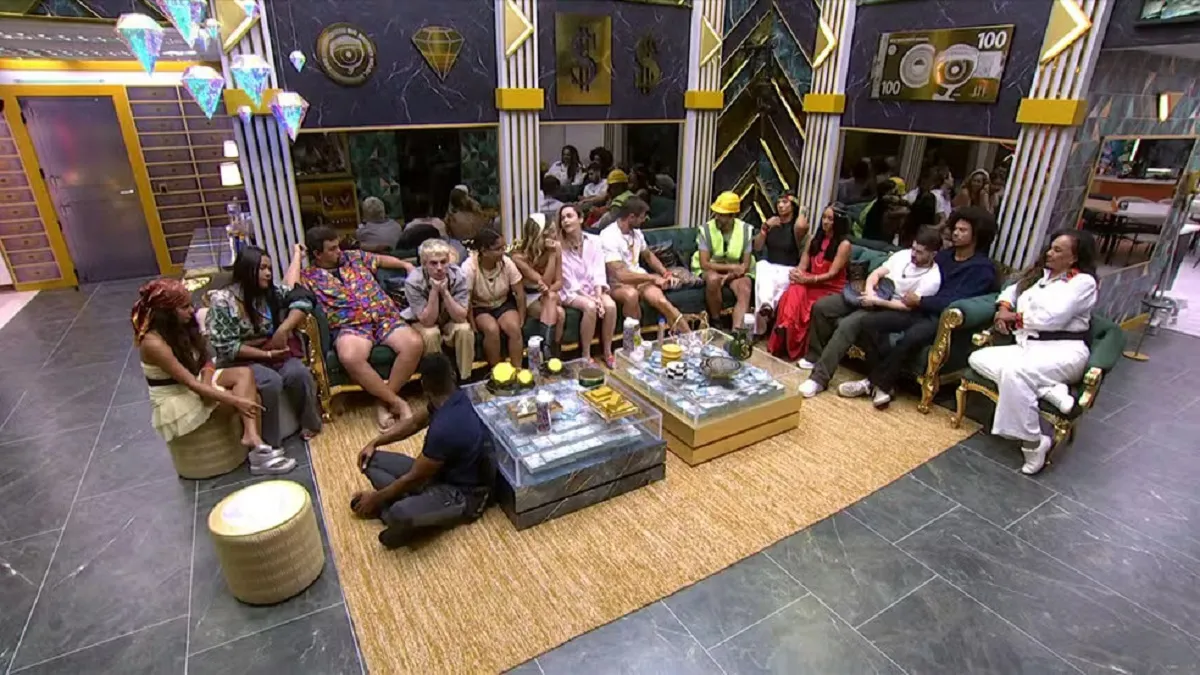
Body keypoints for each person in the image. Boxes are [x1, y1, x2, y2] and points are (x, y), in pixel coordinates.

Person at [840, 206, 998, 409]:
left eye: (963, 230)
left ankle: (873, 383)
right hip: (916, 310)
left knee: (910, 338)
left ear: (976, 235)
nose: (956, 233)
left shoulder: (981, 268)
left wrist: (921, 301)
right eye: (955, 228)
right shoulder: (944, 256)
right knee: (870, 323)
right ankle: (884, 384)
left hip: (938, 317)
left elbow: (956, 300)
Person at [968, 230, 1098, 475]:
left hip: (1064, 352)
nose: (1049, 253)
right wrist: (1003, 309)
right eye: (1051, 247)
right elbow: (1010, 292)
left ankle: (1033, 443)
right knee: (978, 358)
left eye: (1058, 250)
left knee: (1014, 373)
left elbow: (1053, 318)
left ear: (1074, 258)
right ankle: (1049, 390)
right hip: (1029, 348)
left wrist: (1013, 318)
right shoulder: (1040, 276)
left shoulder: (1083, 283)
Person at [133, 278, 295, 475]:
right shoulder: (153, 344)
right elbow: (190, 384)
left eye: (190, 305)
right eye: (184, 307)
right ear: (166, 312)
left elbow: (207, 360)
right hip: (177, 396)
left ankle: (252, 437)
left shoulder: (182, 326)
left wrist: (208, 381)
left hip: (197, 381)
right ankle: (259, 454)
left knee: (244, 374)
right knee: (251, 398)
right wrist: (236, 400)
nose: (192, 311)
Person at [351, 354, 494, 549]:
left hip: (462, 495)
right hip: (438, 476)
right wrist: (374, 442)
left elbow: (414, 478)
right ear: (452, 375)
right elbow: (414, 423)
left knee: (399, 512)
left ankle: (395, 513)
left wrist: (376, 498)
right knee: (370, 460)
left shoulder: (445, 428)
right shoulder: (450, 398)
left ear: (424, 385)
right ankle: (412, 505)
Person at [798, 226, 944, 398]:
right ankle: (814, 355)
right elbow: (876, 273)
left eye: (919, 252)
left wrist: (876, 301)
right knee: (822, 307)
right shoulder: (903, 255)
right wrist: (869, 291)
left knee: (849, 324)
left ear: (933, 254)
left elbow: (907, 306)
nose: (913, 254)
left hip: (886, 306)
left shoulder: (933, 278)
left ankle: (819, 378)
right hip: (870, 293)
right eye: (913, 248)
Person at [302, 226, 423, 430]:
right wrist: (297, 255)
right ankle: (397, 402)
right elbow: (288, 288)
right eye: (332, 249)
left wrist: (405, 265)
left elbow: (382, 260)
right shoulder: (309, 276)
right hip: (351, 325)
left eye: (338, 246)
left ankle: (383, 401)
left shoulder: (353, 257)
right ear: (317, 254)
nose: (339, 251)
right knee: (350, 356)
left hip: (383, 316)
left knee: (414, 343)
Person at [206, 245, 323, 444]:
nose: (268, 273)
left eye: (269, 268)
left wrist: (283, 329)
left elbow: (303, 298)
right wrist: (266, 355)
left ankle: (310, 424)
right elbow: (227, 347)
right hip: (241, 360)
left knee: (298, 373)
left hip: (273, 350)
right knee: (270, 381)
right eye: (262, 268)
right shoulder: (224, 301)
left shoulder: (270, 292)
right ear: (247, 269)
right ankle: (269, 441)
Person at [767, 204, 852, 361]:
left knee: (804, 297)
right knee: (794, 288)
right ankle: (785, 328)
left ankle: (787, 331)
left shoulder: (844, 245)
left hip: (829, 287)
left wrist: (809, 279)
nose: (825, 222)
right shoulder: (814, 239)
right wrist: (797, 273)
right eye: (824, 217)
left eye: (830, 219)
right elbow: (803, 264)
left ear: (838, 222)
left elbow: (832, 274)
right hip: (811, 280)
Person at [601, 197, 684, 329]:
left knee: (662, 301)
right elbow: (621, 275)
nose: (645, 220)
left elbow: (648, 256)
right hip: (616, 284)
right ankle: (634, 338)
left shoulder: (637, 233)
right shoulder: (608, 236)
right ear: (631, 217)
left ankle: (689, 335)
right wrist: (652, 278)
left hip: (640, 279)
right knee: (631, 295)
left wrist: (665, 273)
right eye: (642, 217)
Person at [403, 238, 474, 381]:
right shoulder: (413, 282)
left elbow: (460, 317)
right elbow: (428, 321)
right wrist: (434, 291)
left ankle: (465, 379)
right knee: (431, 333)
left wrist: (445, 292)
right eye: (433, 263)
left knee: (464, 329)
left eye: (443, 262)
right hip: (421, 321)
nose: (440, 268)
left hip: (448, 318)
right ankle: (439, 382)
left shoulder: (459, 275)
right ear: (424, 264)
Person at [558, 203, 617, 367]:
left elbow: (599, 271)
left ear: (581, 219)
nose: (565, 221)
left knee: (610, 305)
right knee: (590, 307)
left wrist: (598, 295)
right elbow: (569, 281)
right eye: (562, 218)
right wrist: (594, 300)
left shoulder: (595, 241)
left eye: (569, 216)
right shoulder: (560, 247)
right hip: (571, 291)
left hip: (593, 289)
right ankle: (585, 354)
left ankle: (607, 351)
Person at [461, 228, 526, 368]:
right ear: (484, 251)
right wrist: (472, 325)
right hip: (480, 307)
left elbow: (520, 293)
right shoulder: (468, 268)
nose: (503, 252)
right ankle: (497, 371)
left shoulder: (507, 262)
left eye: (503, 248)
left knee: (514, 328)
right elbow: (467, 300)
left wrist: (521, 317)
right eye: (498, 249)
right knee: (492, 329)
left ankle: (518, 369)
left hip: (503, 303)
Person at [692, 191, 754, 330]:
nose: (717, 217)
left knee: (745, 287)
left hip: (736, 272)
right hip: (711, 269)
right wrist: (731, 268)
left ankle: (737, 332)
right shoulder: (706, 230)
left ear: (733, 216)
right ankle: (716, 320)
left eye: (722, 215)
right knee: (713, 279)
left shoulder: (746, 230)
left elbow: (745, 264)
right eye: (717, 213)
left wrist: (730, 275)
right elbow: (704, 264)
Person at [753, 192, 809, 337]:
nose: (780, 206)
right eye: (778, 202)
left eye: (785, 202)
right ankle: (767, 307)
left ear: (793, 205)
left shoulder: (797, 228)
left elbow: (802, 224)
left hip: (788, 269)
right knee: (761, 266)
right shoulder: (772, 224)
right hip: (771, 269)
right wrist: (765, 227)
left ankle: (762, 325)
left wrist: (801, 209)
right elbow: (757, 247)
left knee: (768, 288)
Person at [512, 212, 566, 358]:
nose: (556, 235)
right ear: (541, 234)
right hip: (529, 297)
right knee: (560, 313)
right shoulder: (518, 257)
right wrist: (552, 255)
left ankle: (547, 351)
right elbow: (543, 282)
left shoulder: (556, 248)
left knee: (552, 297)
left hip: (549, 294)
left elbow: (559, 282)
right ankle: (552, 354)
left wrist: (553, 254)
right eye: (552, 231)